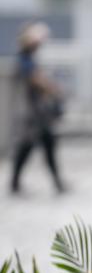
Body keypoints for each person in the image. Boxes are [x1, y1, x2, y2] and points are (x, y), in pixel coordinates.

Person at [9, 21, 65, 194]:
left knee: (41, 145)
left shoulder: (29, 58)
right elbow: (35, 80)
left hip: (36, 113)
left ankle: (54, 182)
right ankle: (16, 183)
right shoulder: (24, 59)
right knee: (30, 146)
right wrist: (53, 89)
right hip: (31, 113)